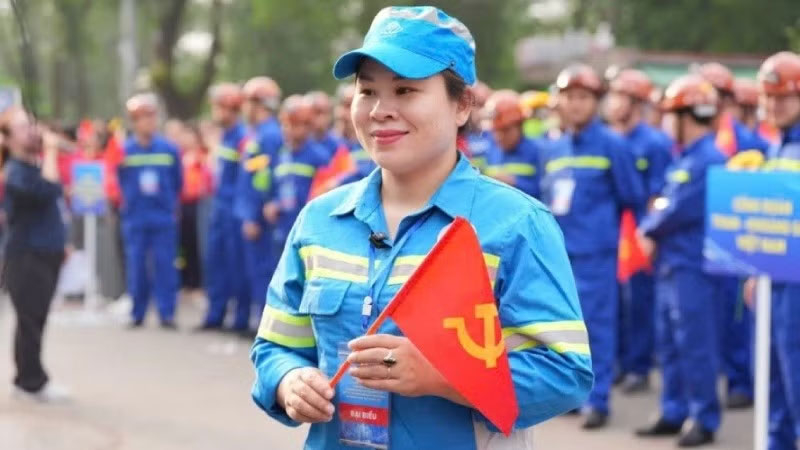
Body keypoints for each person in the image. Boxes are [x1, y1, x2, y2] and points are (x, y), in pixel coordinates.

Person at [250, 6, 593, 448]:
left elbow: (565, 372)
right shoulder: (319, 220)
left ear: (462, 105)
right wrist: (289, 380)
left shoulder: (517, 224)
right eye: (367, 91)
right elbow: (275, 346)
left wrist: (439, 376)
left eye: (405, 90)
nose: (380, 110)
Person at [540, 63, 645, 429]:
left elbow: (633, 196)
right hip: (559, 256)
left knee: (597, 328)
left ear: (596, 101)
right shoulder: (552, 148)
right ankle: (573, 395)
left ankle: (598, 401)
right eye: (569, 97)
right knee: (562, 329)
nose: (575, 104)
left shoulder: (613, 145)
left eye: (583, 97)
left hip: (597, 255)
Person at [635, 75, 727, 447]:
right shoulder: (685, 157)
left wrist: (648, 227)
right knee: (670, 343)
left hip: (694, 268)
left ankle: (703, 417)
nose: (666, 122)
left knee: (695, 344)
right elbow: (665, 203)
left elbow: (675, 208)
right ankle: (674, 411)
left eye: (671, 115)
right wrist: (656, 216)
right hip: (672, 264)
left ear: (687, 116)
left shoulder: (710, 159)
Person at [605, 68, 674, 394]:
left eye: (621, 96)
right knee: (617, 303)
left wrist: (649, 233)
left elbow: (659, 194)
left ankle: (639, 366)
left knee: (640, 302)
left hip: (641, 233)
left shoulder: (655, 143)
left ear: (636, 103)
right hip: (615, 230)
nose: (614, 103)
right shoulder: (611, 139)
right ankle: (620, 363)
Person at [698, 62, 760, 409]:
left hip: (734, 241)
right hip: (699, 240)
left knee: (737, 315)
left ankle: (741, 380)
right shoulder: (692, 138)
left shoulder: (744, 140)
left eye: (715, 94)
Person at [2, 107, 69, 402]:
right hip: (27, 255)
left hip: (46, 250)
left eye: (31, 124)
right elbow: (49, 190)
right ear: (7, 139)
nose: (32, 131)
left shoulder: (31, 167)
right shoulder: (16, 172)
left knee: (36, 318)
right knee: (30, 321)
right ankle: (30, 381)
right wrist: (52, 151)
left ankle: (29, 378)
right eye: (22, 127)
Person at [755, 50, 800, 450]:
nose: (775, 105)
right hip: (777, 283)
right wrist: (756, 272)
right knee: (774, 379)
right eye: (769, 97)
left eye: (784, 97)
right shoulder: (775, 148)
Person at [118, 93, 183, 328]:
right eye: (142, 118)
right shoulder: (124, 151)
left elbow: (178, 181)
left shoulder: (169, 149)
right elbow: (117, 181)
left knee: (165, 265)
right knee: (136, 266)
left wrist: (169, 205)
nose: (147, 122)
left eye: (151, 117)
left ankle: (167, 313)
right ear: (134, 122)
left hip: (162, 217)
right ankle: (137, 312)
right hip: (135, 217)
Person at [198, 83, 252, 332]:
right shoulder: (225, 137)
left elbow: (245, 179)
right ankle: (215, 315)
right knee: (216, 263)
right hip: (219, 207)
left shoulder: (243, 138)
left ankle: (240, 319)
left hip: (234, 210)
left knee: (237, 266)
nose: (215, 113)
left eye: (219, 107)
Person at [236, 75, 284, 334]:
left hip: (261, 221)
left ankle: (265, 326)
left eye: (247, 102)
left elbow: (265, 181)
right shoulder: (258, 134)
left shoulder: (270, 136)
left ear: (259, 104)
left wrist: (254, 216)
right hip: (252, 214)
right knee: (253, 272)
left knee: (264, 271)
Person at [263, 95, 328, 253]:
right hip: (282, 230)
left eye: (293, 124)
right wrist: (272, 203)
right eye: (284, 124)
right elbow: (275, 188)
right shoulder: (281, 155)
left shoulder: (320, 156)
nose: (287, 129)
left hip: (308, 231)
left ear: (307, 125)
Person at [484, 89, 542, 199]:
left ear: (519, 126)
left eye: (505, 130)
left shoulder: (536, 151)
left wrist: (514, 182)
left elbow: (544, 191)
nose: (499, 136)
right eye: (495, 131)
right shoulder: (490, 151)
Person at [178, 124, 213, 292]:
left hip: (198, 203)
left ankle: (199, 281)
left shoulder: (202, 155)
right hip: (183, 203)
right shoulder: (180, 155)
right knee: (184, 244)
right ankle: (186, 280)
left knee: (198, 242)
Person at [464, 80, 499, 174]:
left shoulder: (495, 134)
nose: (483, 111)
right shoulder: (455, 136)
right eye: (478, 105)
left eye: (485, 105)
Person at [307, 91, 340, 160]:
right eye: (317, 112)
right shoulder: (297, 143)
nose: (322, 117)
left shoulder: (338, 145)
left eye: (326, 112)